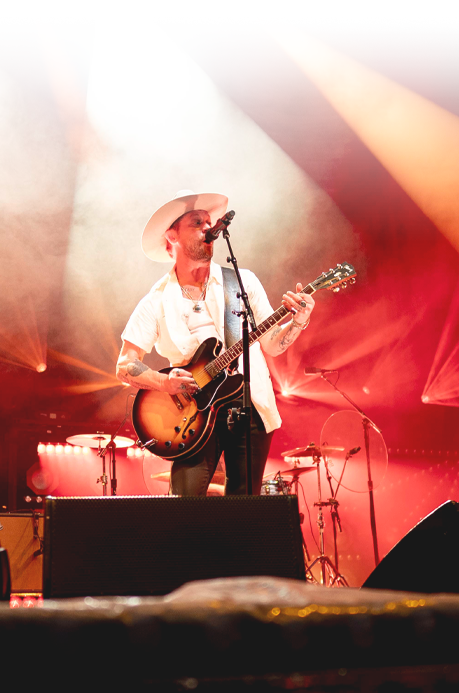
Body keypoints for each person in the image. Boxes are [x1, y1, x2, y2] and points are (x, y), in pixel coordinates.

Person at [116, 190, 313, 496]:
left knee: (245, 511)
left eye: (209, 222)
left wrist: (298, 319)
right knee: (185, 508)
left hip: (249, 405)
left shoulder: (242, 282)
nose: (208, 228)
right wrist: (163, 382)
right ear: (172, 236)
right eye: (197, 222)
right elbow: (124, 365)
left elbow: (272, 346)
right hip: (191, 414)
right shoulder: (155, 301)